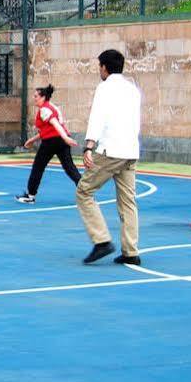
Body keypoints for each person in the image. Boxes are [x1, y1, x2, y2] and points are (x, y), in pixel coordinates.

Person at [76, 50, 142, 265]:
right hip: (130, 151)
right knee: (128, 202)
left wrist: (89, 146)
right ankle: (131, 251)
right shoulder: (133, 89)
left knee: (84, 192)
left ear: (104, 67)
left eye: (99, 67)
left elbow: (97, 117)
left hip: (110, 150)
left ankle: (101, 239)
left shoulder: (104, 88)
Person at [15, 84, 81, 204]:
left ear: (43, 97)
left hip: (52, 141)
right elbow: (48, 129)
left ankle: (30, 196)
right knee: (70, 168)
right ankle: (85, 192)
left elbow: (55, 124)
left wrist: (65, 138)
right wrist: (32, 140)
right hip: (60, 140)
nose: (34, 98)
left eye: (36, 96)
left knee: (38, 167)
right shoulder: (52, 107)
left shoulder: (44, 110)